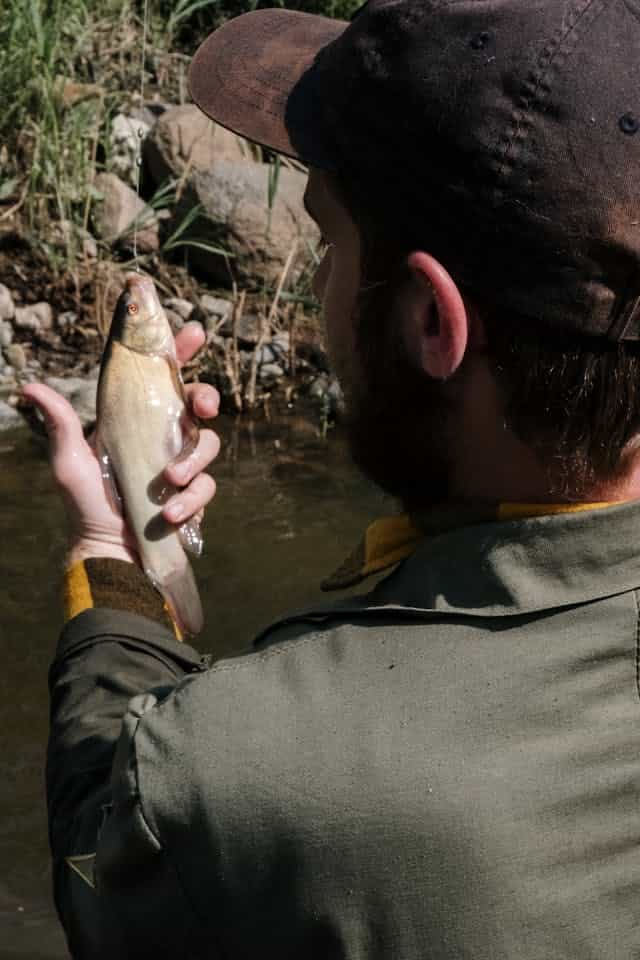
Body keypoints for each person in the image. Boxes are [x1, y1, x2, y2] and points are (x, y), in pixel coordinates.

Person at [25, 0, 640, 956]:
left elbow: (111, 860)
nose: (319, 287)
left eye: (329, 239)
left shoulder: (257, 778)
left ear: (431, 324)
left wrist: (118, 568)